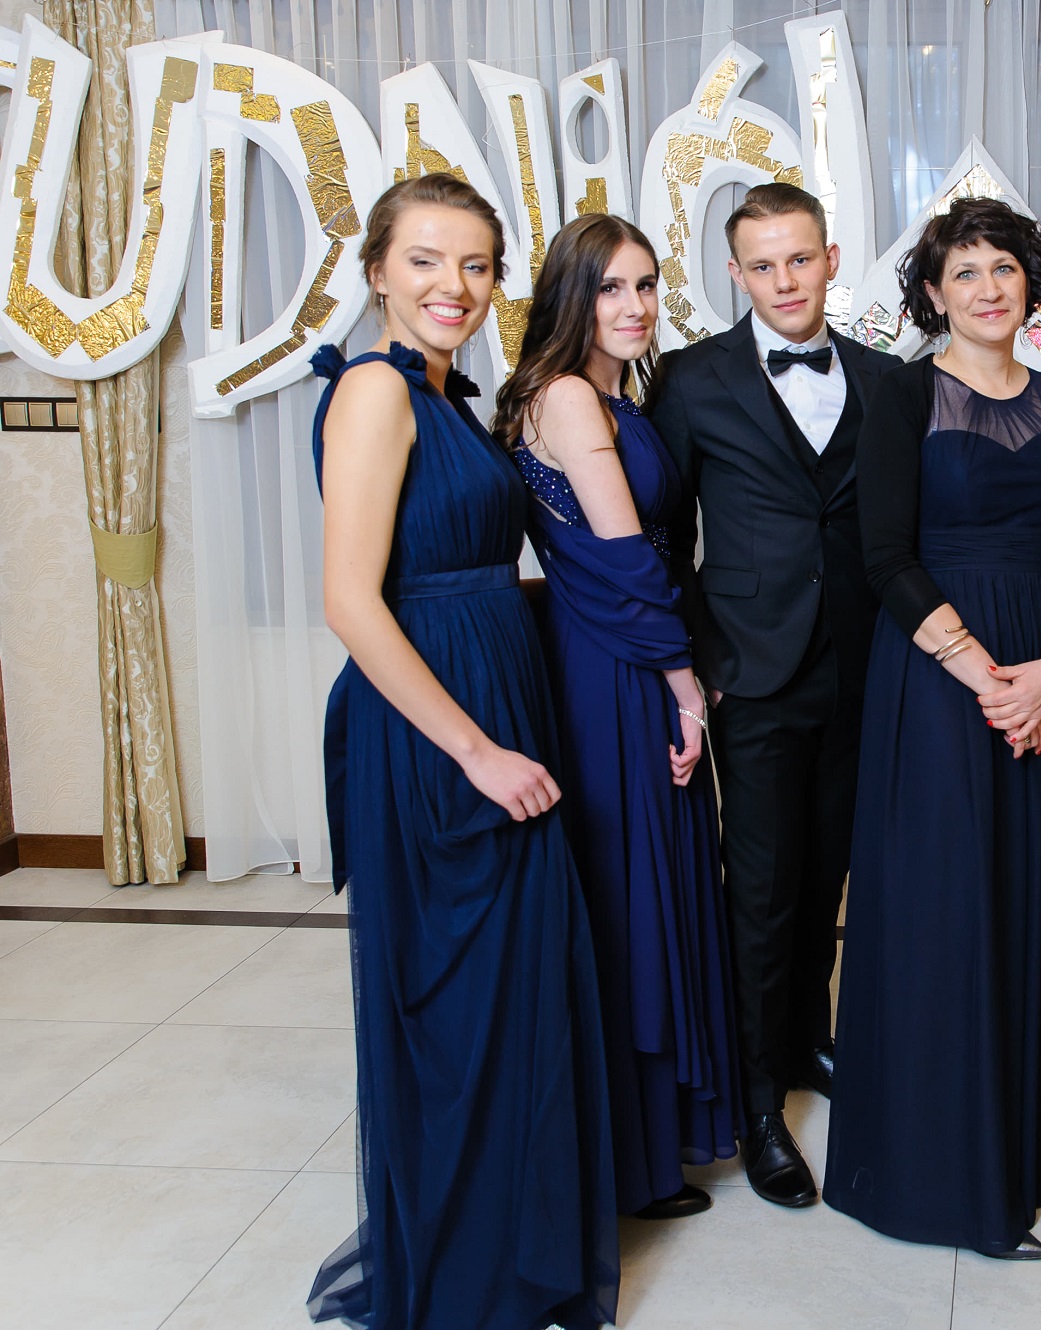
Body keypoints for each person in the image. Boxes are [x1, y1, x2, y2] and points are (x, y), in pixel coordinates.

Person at [306, 173, 617, 1329]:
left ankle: (506, 1249)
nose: (455, 285)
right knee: (456, 999)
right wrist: (477, 749)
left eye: (477, 264)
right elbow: (350, 601)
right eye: (427, 259)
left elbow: (479, 566)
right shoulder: (373, 392)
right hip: (440, 731)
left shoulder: (444, 393)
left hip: (495, 698)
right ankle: (461, 1273)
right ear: (377, 270)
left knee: (507, 988)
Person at [823, 197, 1041, 1261]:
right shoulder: (903, 395)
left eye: (1004, 268)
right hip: (941, 678)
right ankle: (948, 1179)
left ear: (1029, 283)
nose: (988, 289)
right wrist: (985, 680)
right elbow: (884, 554)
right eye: (965, 273)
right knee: (948, 915)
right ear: (932, 295)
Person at [650, 183, 900, 1207]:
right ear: (734, 274)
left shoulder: (887, 378)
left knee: (829, 872)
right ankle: (756, 1106)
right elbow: (665, 534)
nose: (785, 280)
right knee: (759, 890)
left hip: (865, 665)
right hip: (751, 672)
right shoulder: (688, 378)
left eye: (800, 259)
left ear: (831, 258)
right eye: (762, 265)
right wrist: (701, 661)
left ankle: (806, 1040)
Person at [494, 214, 740, 1223]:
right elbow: (630, 559)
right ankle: (630, 1161)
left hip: (609, 650)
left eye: (645, 285)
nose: (635, 306)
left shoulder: (600, 393)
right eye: (610, 288)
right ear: (571, 296)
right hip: (618, 664)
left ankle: (639, 1145)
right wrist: (686, 687)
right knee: (634, 887)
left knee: (638, 882)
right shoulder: (566, 396)